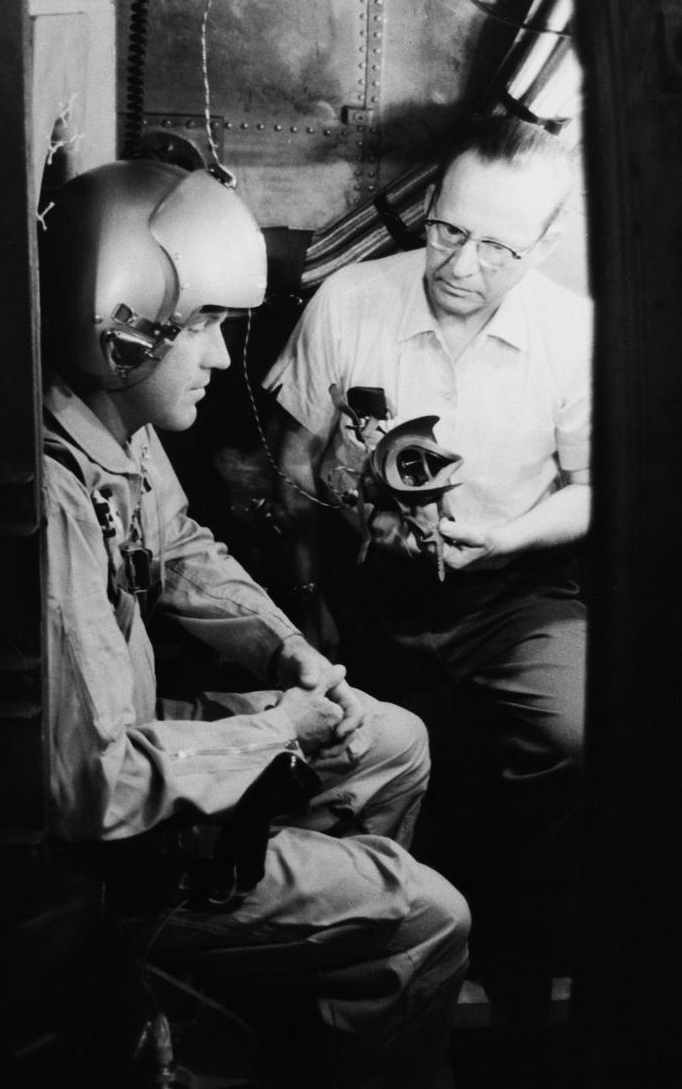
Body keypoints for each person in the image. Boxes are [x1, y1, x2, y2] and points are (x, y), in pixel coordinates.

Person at [39, 159, 469, 1088]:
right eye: (204, 329)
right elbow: (92, 788)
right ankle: (287, 962)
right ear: (125, 330)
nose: (221, 357)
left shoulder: (108, 426)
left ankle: (301, 982)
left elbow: (182, 547)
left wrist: (292, 655)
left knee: (394, 739)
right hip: (107, 867)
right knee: (433, 916)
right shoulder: (57, 502)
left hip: (137, 773)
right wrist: (276, 726)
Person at [264, 116, 591, 1025]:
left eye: (497, 247)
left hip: (516, 593)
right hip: (369, 590)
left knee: (572, 734)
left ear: (546, 242)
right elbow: (289, 464)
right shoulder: (348, 302)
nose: (459, 265)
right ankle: (369, 967)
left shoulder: (577, 333)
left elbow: (596, 484)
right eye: (447, 230)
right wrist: (306, 603)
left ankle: (519, 962)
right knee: (359, 758)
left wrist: (508, 537)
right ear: (429, 211)